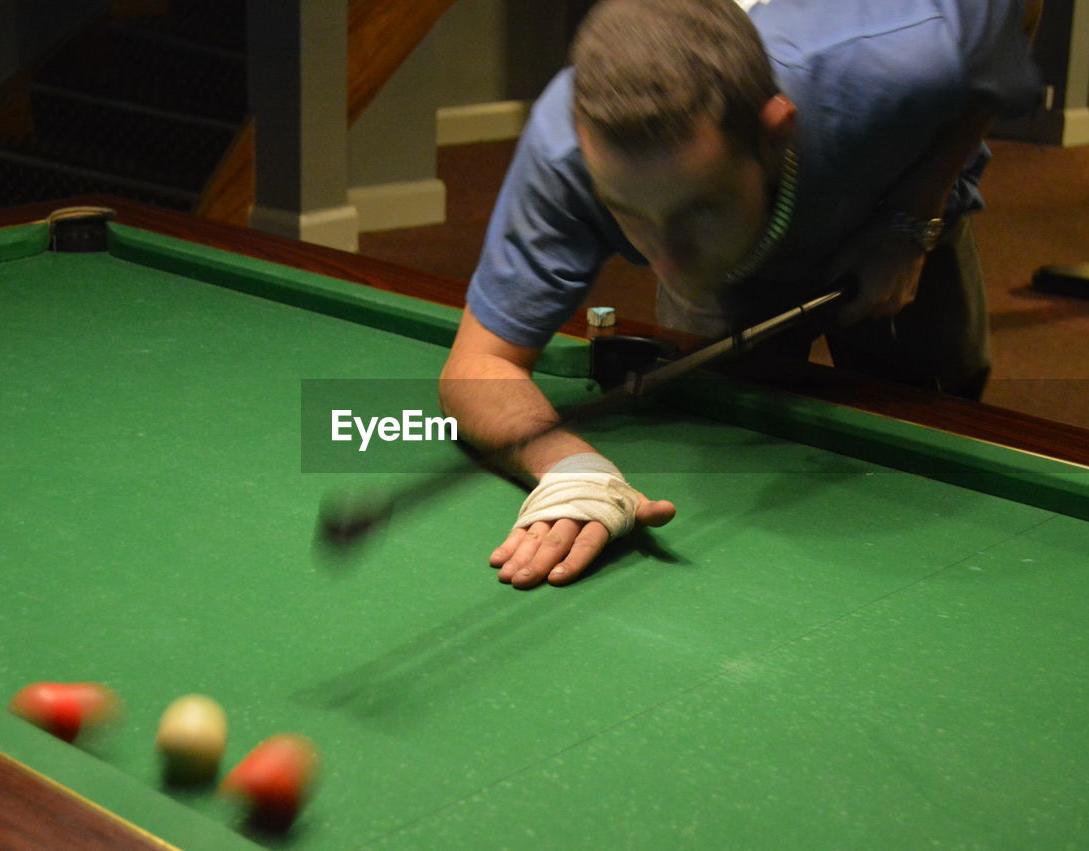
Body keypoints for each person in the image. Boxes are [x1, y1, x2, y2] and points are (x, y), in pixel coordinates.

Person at [438, 0, 1043, 589]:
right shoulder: (565, 153)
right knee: (723, 427)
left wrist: (915, 215)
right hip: (747, 264)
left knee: (940, 416)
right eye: (629, 214)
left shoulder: (895, 57)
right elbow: (479, 364)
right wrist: (574, 471)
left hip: (889, 186)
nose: (666, 260)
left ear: (774, 131)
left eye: (698, 208)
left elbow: (1008, 20)